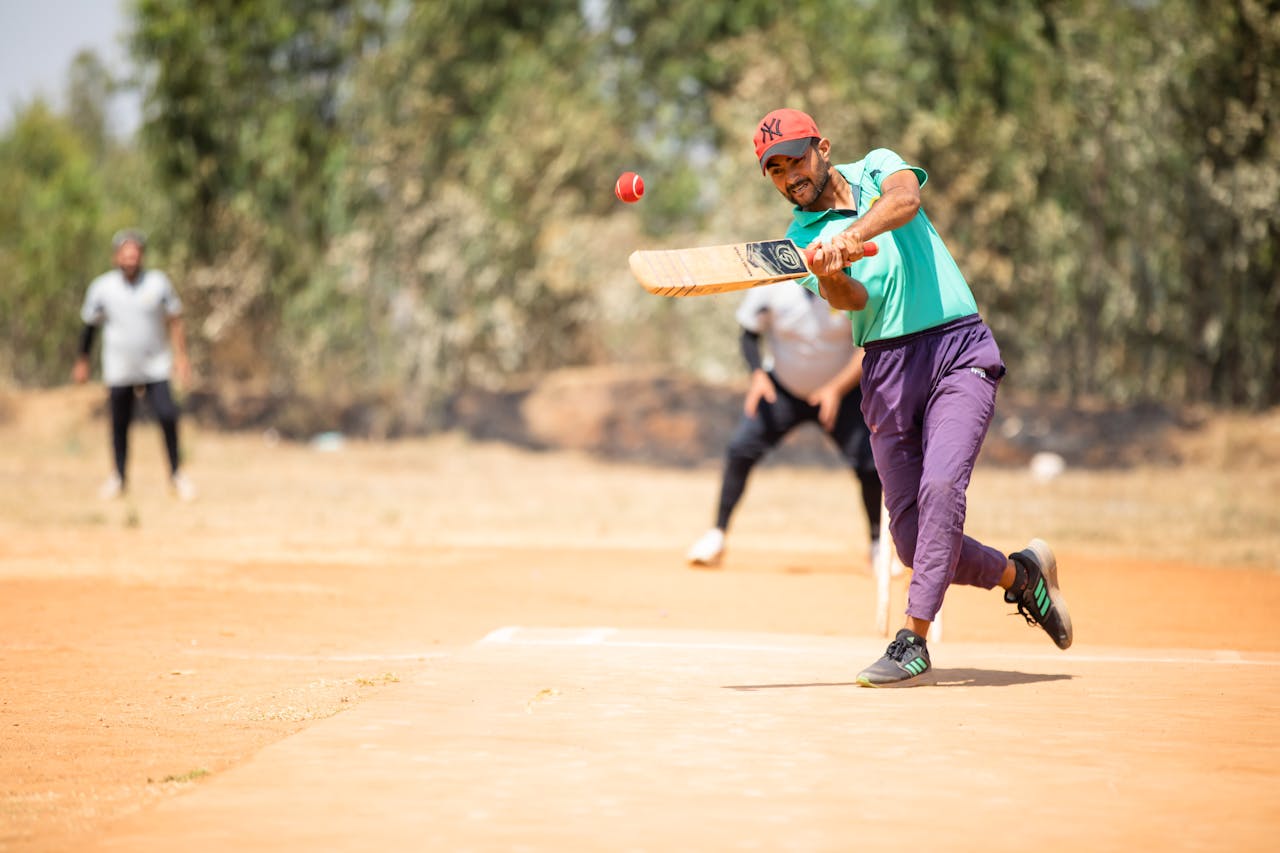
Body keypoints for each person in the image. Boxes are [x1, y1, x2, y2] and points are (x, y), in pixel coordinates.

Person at [752, 107, 1072, 686]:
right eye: (774, 169)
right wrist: (827, 272)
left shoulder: (877, 168)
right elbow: (850, 301)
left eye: (795, 158)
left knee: (943, 486)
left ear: (823, 147)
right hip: (886, 367)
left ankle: (912, 640)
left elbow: (907, 203)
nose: (788, 175)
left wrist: (850, 236)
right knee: (910, 538)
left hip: (957, 349)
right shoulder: (800, 240)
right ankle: (1021, 578)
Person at [686, 280, 883, 570]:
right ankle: (716, 536)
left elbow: (867, 347)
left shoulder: (851, 286)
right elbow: (749, 334)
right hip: (782, 390)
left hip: (840, 393)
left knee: (870, 463)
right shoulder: (772, 286)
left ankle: (877, 545)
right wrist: (757, 375)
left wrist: (836, 390)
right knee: (740, 449)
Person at [73, 230, 196, 501]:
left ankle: (176, 475)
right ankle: (119, 477)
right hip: (119, 366)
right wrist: (83, 360)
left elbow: (175, 318)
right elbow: (89, 327)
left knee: (167, 415)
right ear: (116, 256)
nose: (130, 258)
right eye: (125, 253)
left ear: (142, 255)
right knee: (119, 422)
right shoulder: (102, 288)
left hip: (156, 365)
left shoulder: (157, 283)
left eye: (135, 252)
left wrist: (182, 356)